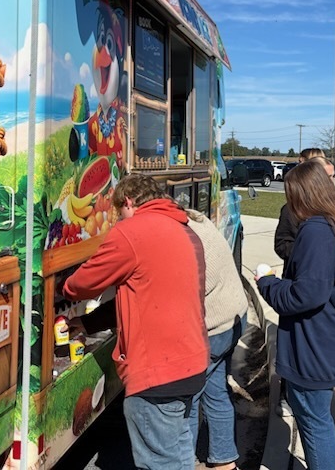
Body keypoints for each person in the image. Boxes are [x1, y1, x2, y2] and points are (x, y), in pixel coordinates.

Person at [63, 173, 209, 470]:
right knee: (179, 453)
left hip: (157, 374)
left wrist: (62, 287)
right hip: (191, 363)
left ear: (128, 202)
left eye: (119, 211)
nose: (118, 218)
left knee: (159, 463)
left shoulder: (132, 232)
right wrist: (88, 323)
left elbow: (84, 284)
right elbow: (143, 298)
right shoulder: (184, 230)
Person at [257, 160, 335, 470]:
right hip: (329, 340)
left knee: (315, 423)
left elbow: (306, 295)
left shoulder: (316, 230)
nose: (290, 203)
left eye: (292, 194)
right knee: (317, 419)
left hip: (313, 348)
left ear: (305, 194)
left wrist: (268, 284)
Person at [185, 209, 249, 470]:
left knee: (187, 400)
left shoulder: (181, 237)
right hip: (232, 318)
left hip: (211, 327)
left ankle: (182, 462)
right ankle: (224, 460)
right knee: (216, 391)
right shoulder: (196, 219)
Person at [273, 147, 332, 416]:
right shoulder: (291, 210)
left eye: (331, 177)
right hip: (296, 281)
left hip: (317, 292)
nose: (330, 182)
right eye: (325, 177)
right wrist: (302, 254)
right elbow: (281, 243)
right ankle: (286, 396)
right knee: (292, 344)